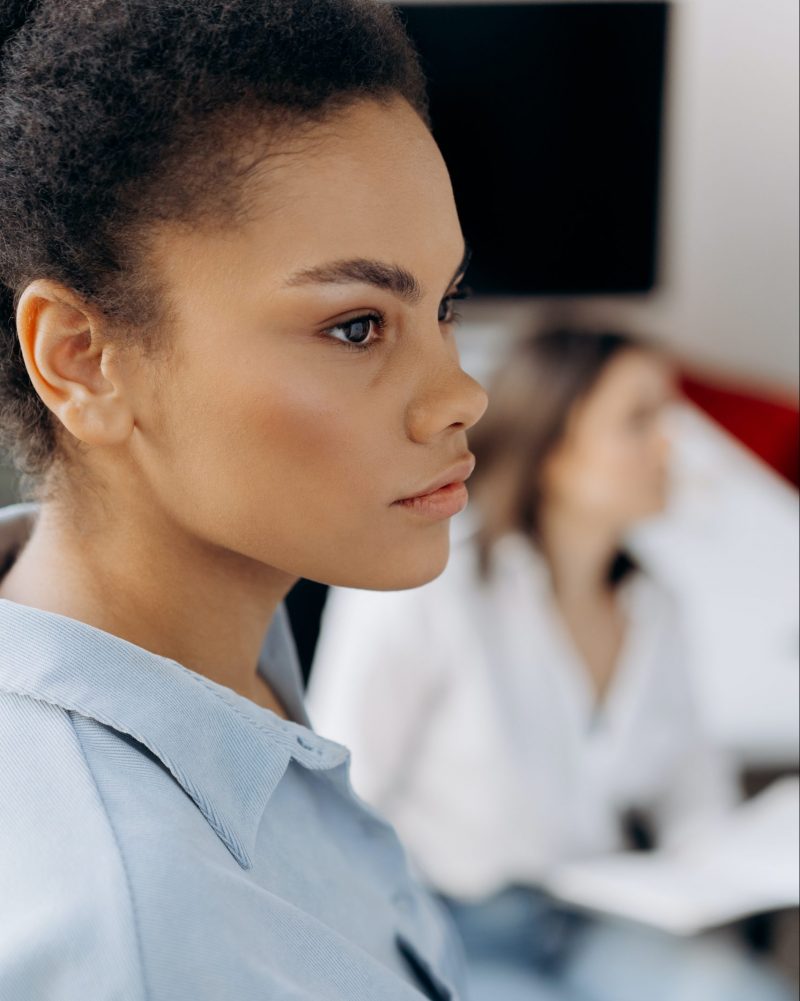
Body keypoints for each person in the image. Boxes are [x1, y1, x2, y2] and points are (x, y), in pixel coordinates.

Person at [0, 2, 489, 998]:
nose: (461, 395)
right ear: (82, 359)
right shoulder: (140, 941)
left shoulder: (231, 662)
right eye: (356, 326)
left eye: (444, 305)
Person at [308, 328, 794, 1001]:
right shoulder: (425, 587)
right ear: (555, 443)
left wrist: (749, 860)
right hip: (445, 920)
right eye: (639, 419)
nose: (670, 443)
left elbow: (693, 802)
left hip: (592, 917)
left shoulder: (655, 607)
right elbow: (343, 791)